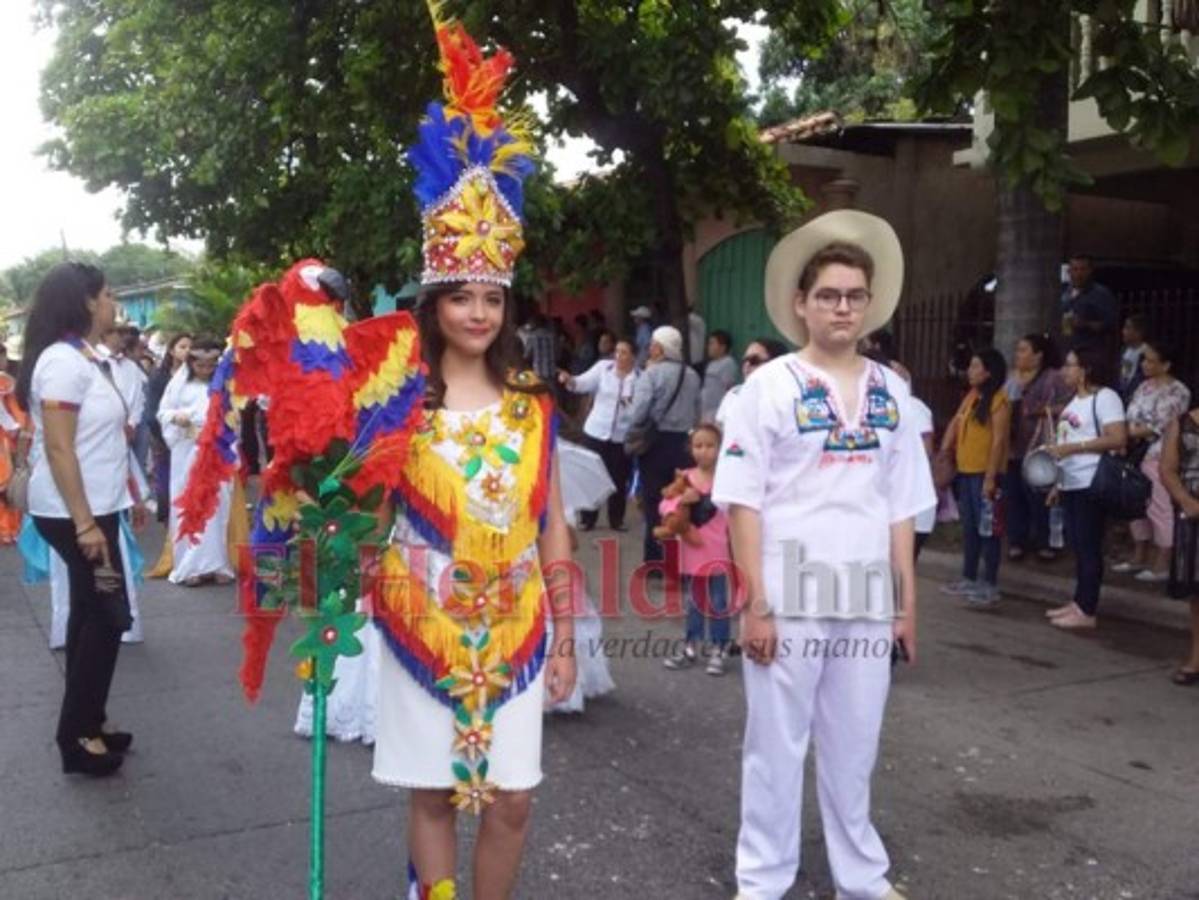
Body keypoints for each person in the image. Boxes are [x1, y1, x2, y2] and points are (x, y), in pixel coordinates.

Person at [370, 13, 575, 897]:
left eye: (493, 296)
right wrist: (331, 576)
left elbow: (554, 524)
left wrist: (565, 633)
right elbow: (367, 515)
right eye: (463, 296)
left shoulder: (534, 409)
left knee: (512, 798)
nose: (480, 312)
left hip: (517, 621)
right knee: (433, 789)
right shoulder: (400, 405)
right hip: (424, 616)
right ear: (436, 303)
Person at [716, 210, 931, 900]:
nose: (842, 307)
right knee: (776, 744)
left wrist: (904, 605)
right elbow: (742, 502)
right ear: (800, 304)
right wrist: (756, 604)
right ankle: (761, 879)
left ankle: (861, 877)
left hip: (865, 595)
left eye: (854, 295)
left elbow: (901, 505)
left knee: (854, 745)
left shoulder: (892, 394)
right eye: (828, 295)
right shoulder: (766, 388)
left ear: (869, 305)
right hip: (787, 591)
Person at [17, 261, 145, 777]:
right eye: (109, 295)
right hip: (75, 513)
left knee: (92, 615)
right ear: (87, 302)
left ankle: (90, 719)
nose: (115, 304)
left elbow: (103, 441)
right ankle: (75, 737)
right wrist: (87, 523)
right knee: (109, 616)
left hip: (98, 507)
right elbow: (59, 448)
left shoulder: (85, 357)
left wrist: (124, 496)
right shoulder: (62, 364)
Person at [1044, 345, 1128, 630]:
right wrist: (1058, 481)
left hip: (1091, 480)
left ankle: (1087, 608)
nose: (1065, 371)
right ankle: (1079, 600)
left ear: (1085, 369)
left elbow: (1117, 438)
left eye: (1070, 365)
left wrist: (1074, 447)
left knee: (1089, 544)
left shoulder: (1105, 398)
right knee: (1078, 544)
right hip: (1071, 481)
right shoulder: (1072, 403)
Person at [158, 338, 235, 586]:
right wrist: (178, 417)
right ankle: (189, 566)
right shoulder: (179, 385)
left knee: (218, 506)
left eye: (211, 365)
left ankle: (218, 563)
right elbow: (163, 412)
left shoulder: (224, 386)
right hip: (188, 453)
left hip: (218, 454)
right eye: (200, 365)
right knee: (188, 505)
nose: (205, 370)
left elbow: (236, 417)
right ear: (191, 364)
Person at [1115, 337, 1191, 582]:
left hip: (1158, 454)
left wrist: (1126, 434)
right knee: (1135, 504)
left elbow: (1159, 425)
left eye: (1150, 360)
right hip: (1135, 453)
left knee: (1160, 507)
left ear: (1166, 364)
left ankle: (1163, 561)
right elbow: (1131, 415)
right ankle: (1140, 554)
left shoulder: (1178, 391)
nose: (1144, 364)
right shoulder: (1143, 387)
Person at [939, 348, 1011, 605]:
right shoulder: (972, 396)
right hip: (966, 470)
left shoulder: (999, 400)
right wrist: (945, 449)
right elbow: (957, 422)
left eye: (975, 366)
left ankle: (989, 583)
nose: (970, 371)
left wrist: (991, 477)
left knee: (988, 529)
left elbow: (999, 441)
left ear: (988, 371)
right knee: (970, 527)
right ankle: (969, 576)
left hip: (985, 473)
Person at [660, 423, 733, 675]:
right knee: (694, 601)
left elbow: (735, 510)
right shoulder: (685, 478)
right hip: (692, 551)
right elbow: (664, 506)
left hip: (719, 550)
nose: (704, 451)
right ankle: (690, 645)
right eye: (698, 446)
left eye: (710, 445)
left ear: (720, 448)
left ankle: (719, 647)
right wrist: (682, 500)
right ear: (691, 449)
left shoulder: (727, 478)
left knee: (719, 602)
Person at [628, 324, 702, 564]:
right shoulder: (691, 375)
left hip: (656, 443)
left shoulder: (651, 374)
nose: (649, 349)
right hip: (683, 444)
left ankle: (654, 559)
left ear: (659, 348)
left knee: (653, 501)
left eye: (652, 344)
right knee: (681, 501)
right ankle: (681, 559)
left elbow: (638, 413)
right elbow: (697, 411)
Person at [558, 337, 639, 531]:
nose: (618, 356)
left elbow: (641, 408)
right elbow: (582, 383)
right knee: (592, 474)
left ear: (633, 357)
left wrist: (630, 406)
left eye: (624, 352)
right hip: (596, 430)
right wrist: (570, 380)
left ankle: (616, 519)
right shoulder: (604, 368)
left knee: (620, 477)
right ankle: (588, 518)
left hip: (622, 435)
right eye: (617, 352)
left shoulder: (640, 377)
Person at [1004, 334, 1071, 562]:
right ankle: (1017, 540)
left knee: (1039, 493)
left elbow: (1068, 405)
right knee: (1014, 494)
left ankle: (1045, 541)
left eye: (1023, 350)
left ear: (1038, 355)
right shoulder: (1011, 379)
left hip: (1040, 442)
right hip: (1014, 444)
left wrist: (1042, 410)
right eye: (1018, 350)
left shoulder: (1053, 378)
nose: (1018, 355)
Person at [1159, 404, 1199, 686]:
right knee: (1197, 594)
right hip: (1193, 512)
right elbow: (1168, 469)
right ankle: (1196, 657)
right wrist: (1186, 501)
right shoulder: (1182, 423)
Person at [143, 333, 192, 522]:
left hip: (189, 438)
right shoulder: (159, 377)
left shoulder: (196, 376)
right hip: (165, 438)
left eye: (190, 347)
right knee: (166, 483)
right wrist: (164, 436)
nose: (187, 351)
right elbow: (153, 412)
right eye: (182, 346)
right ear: (172, 350)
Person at [714, 337, 789, 431]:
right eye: (745, 360)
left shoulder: (790, 399)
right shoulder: (733, 395)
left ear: (775, 364)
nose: (747, 365)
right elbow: (718, 431)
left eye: (754, 360)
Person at [1061, 254, 1119, 353]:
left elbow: (1111, 324)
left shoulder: (1101, 294)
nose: (1079, 273)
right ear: (1069, 271)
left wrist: (1085, 324)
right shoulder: (1063, 292)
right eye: (1075, 269)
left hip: (1091, 350)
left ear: (1090, 270)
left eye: (1083, 269)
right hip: (1066, 348)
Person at [700, 329, 738, 422]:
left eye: (712, 343)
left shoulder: (728, 363)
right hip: (705, 411)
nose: (708, 347)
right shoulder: (712, 363)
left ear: (722, 347)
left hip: (717, 412)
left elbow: (729, 388)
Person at [1118, 314, 1148, 402]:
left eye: (1127, 328)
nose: (1123, 331)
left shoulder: (1146, 352)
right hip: (1122, 394)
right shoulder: (1123, 350)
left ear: (1138, 332)